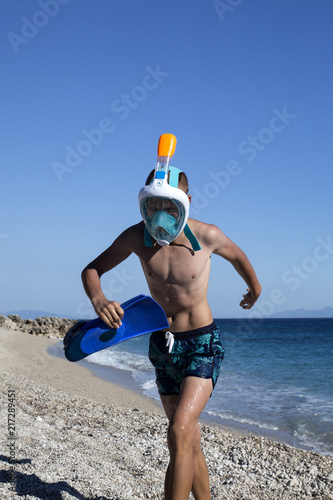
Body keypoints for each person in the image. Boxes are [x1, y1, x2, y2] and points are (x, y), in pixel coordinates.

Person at [81, 141, 261, 500]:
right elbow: (92, 269)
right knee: (187, 437)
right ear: (144, 204)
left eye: (170, 206)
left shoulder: (207, 235)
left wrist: (254, 289)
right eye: (153, 206)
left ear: (186, 202)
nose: (161, 215)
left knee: (180, 429)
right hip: (161, 346)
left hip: (202, 343)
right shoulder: (136, 236)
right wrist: (99, 298)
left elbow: (239, 256)